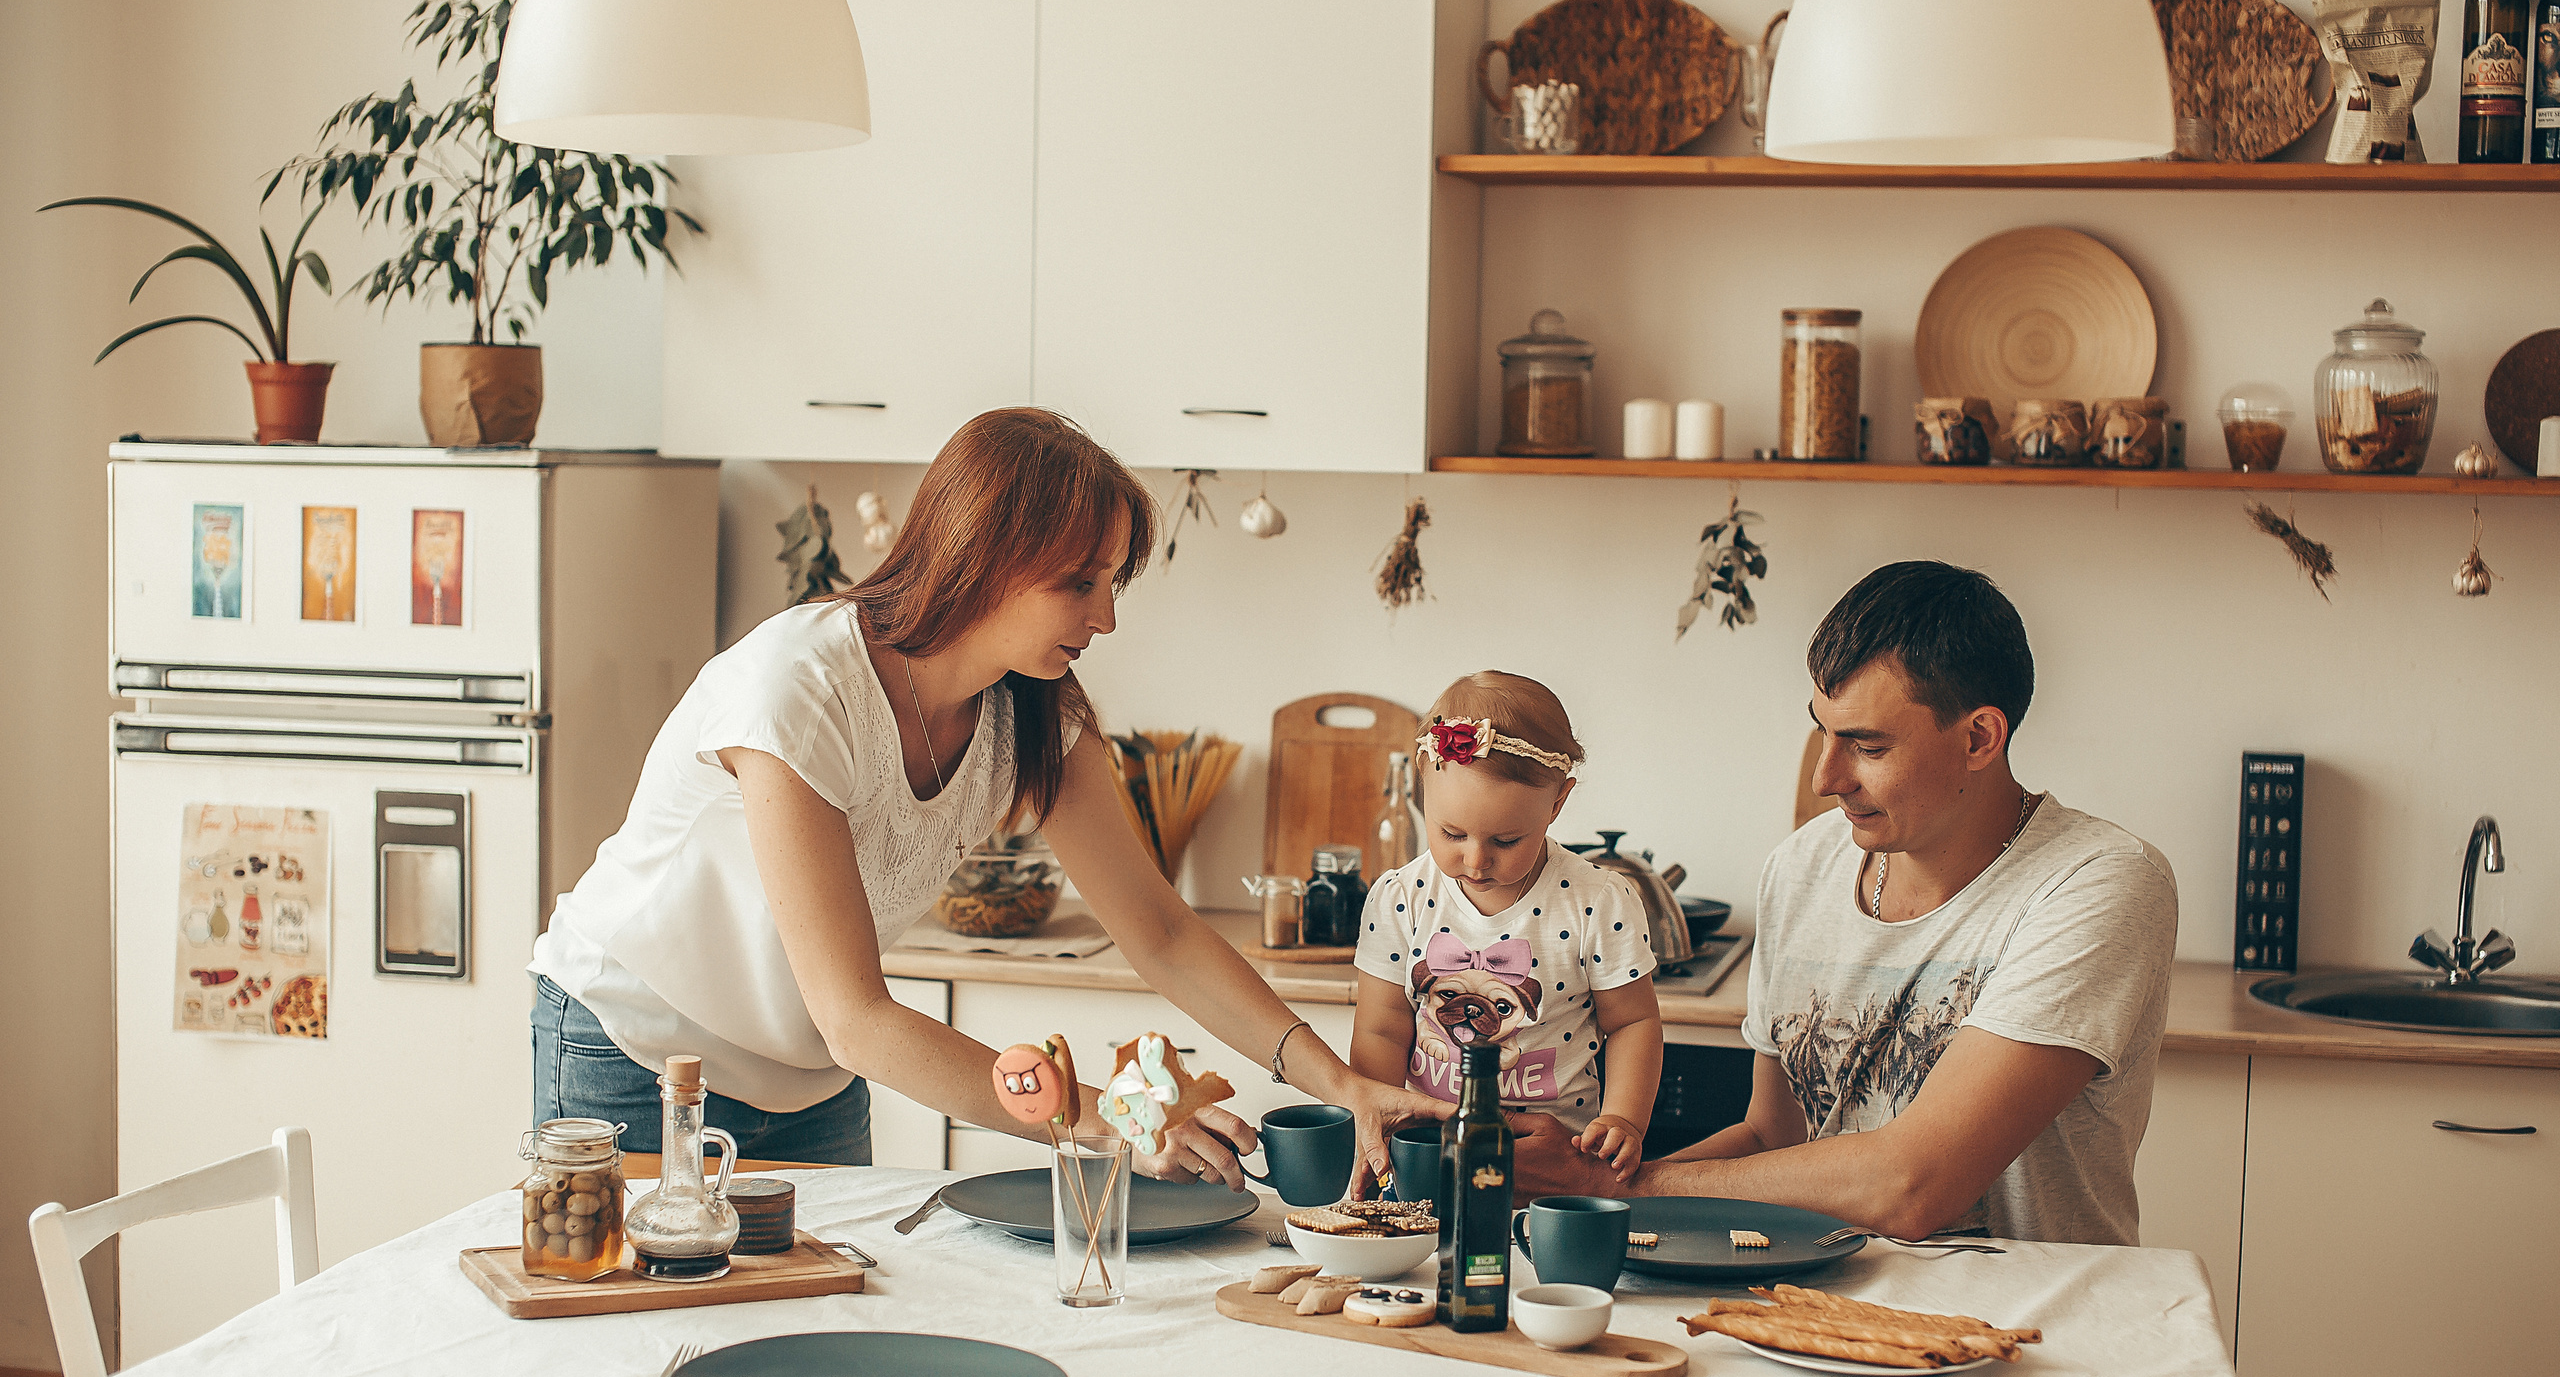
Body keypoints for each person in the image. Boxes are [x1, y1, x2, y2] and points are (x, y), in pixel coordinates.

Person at [529, 407, 1443, 1182]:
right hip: (636, 1053)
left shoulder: (1034, 718)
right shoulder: (797, 687)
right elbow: (857, 1016)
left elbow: (1161, 934)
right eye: (1078, 583)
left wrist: (1340, 1083)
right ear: (987, 556)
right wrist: (1114, 1116)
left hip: (807, 1084)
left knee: (820, 1354)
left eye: (1111, 581)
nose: (1107, 616)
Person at [1513, 562, 2177, 1244]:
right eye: (1823, 732)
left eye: (1867, 745)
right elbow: (1774, 1137)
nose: (1825, 777)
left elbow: (1916, 1182)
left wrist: (1608, 1186)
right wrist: (1596, 1197)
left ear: (1979, 737)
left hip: (2030, 1329)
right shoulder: (1802, 867)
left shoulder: (2101, 884)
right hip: (1814, 1303)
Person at [1350, 673, 1663, 1184]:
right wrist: (1375, 1122)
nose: (1475, 860)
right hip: (1429, 1149)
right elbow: (1381, 1027)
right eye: (1451, 832)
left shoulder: (1598, 902)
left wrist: (1624, 1118)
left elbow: (1632, 1023)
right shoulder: (1398, 898)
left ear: (1557, 804)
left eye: (1506, 839)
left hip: (1552, 1161)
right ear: (1421, 783)